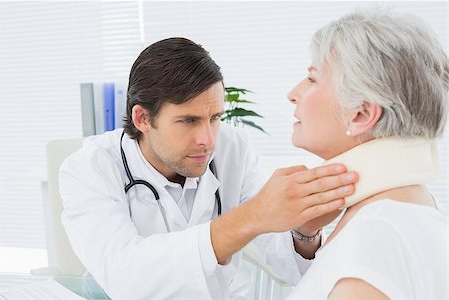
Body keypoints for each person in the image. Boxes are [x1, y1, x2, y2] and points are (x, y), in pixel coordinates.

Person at [59, 37, 358, 299]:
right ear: (143, 119)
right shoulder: (89, 169)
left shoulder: (233, 148)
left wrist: (305, 230)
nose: (207, 139)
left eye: (215, 117)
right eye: (189, 120)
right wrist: (255, 214)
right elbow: (127, 279)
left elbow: (286, 264)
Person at [286, 9, 448, 300]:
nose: (293, 93)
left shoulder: (376, 234)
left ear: (361, 114)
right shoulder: (415, 210)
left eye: (312, 79)